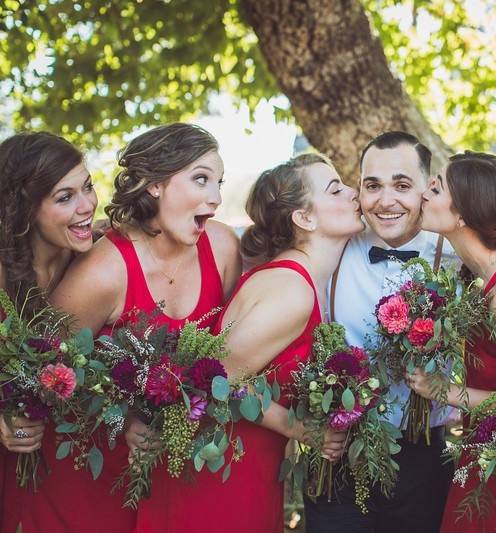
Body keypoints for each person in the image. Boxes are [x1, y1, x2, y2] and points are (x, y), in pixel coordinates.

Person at [131, 153, 359, 531]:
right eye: (336, 189)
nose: (353, 193)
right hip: (220, 472)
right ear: (304, 218)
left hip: (249, 464)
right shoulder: (292, 289)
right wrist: (299, 428)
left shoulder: (303, 279)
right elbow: (213, 381)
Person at [45, 123, 241, 532]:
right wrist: (127, 415)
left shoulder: (222, 246)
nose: (216, 198)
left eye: (219, 183)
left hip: (185, 473)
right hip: (100, 480)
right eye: (201, 179)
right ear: (154, 185)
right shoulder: (102, 271)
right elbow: (50, 374)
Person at [303, 131, 458, 533]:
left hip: (424, 454)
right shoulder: (330, 248)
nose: (386, 201)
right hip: (336, 453)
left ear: (427, 189)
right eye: (373, 186)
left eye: (402, 185)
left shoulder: (456, 259)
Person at [404, 151, 496, 532]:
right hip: (486, 451)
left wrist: (444, 391)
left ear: (463, 215)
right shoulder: (483, 275)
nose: (423, 193)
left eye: (435, 188)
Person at [0, 132, 98, 533]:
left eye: (88, 187)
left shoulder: (94, 258)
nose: (87, 205)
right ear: (25, 209)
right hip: (15, 451)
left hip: (73, 460)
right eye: (65, 197)